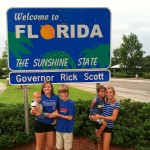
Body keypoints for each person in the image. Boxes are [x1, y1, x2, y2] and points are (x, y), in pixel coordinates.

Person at [30, 80, 60, 150]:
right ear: (42, 88)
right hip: (40, 123)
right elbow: (31, 112)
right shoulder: (39, 96)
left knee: (50, 146)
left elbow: (58, 110)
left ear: (51, 87)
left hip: (50, 124)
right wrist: (36, 112)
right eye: (45, 87)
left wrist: (56, 118)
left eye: (48, 87)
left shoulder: (56, 97)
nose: (47, 88)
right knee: (39, 145)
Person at [50, 84, 76, 150]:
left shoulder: (71, 103)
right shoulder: (59, 102)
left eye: (65, 92)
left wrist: (58, 115)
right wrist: (55, 118)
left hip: (67, 129)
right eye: (61, 93)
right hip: (59, 129)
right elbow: (57, 112)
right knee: (59, 147)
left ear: (68, 93)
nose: (63, 94)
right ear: (59, 93)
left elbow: (70, 117)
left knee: (67, 148)